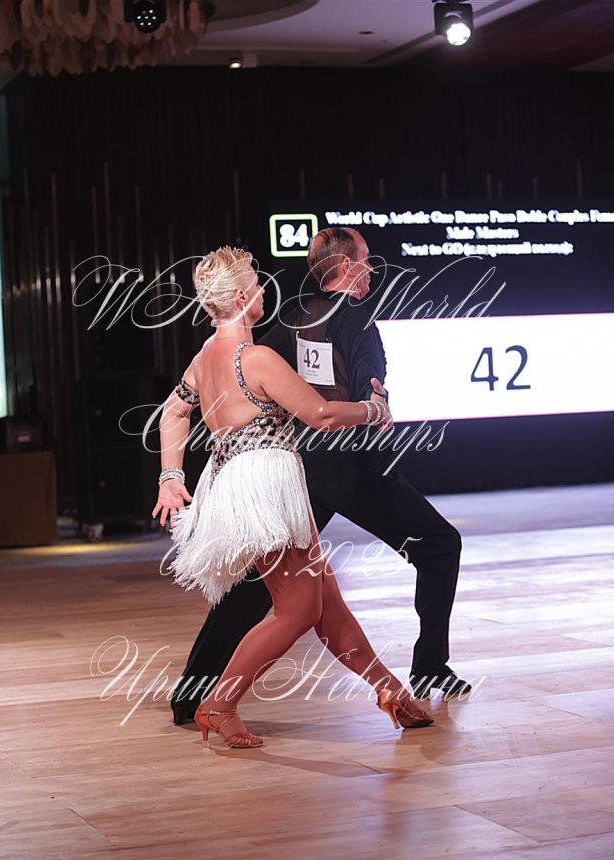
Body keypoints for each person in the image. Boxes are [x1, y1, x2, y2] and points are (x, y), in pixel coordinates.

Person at [168, 228, 471, 725]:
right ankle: (429, 666)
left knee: (277, 589)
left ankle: (192, 693)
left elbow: (220, 388)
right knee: (435, 546)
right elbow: (353, 391)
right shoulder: (357, 319)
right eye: (366, 260)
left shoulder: (288, 320)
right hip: (347, 468)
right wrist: (374, 405)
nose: (371, 270)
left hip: (295, 472)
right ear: (347, 268)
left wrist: (174, 470)